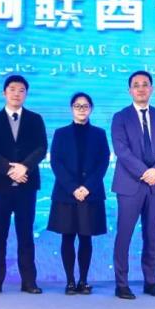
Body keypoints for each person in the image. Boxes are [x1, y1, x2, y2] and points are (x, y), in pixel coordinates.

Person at [0, 75, 48, 296]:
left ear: (26, 94)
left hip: (27, 185)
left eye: (21, 90)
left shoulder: (35, 119)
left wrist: (24, 167)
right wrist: (10, 169)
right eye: (12, 89)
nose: (16, 93)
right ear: (4, 93)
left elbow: (41, 148)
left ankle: (29, 282)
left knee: (25, 234)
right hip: (0, 185)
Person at [111, 70, 155, 300]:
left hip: (154, 186)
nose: (141, 88)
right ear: (130, 91)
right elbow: (121, 151)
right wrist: (145, 172)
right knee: (124, 235)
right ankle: (122, 284)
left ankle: (151, 281)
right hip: (129, 185)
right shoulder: (120, 117)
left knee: (152, 235)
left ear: (152, 89)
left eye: (145, 84)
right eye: (136, 85)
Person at [47, 92, 110, 295]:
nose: (81, 109)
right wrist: (73, 188)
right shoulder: (60, 133)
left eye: (85, 106)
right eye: (77, 106)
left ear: (91, 109)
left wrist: (87, 187)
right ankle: (70, 281)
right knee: (67, 237)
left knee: (86, 238)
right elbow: (56, 162)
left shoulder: (99, 133)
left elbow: (103, 162)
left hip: (91, 194)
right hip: (66, 194)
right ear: (71, 109)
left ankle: (83, 281)